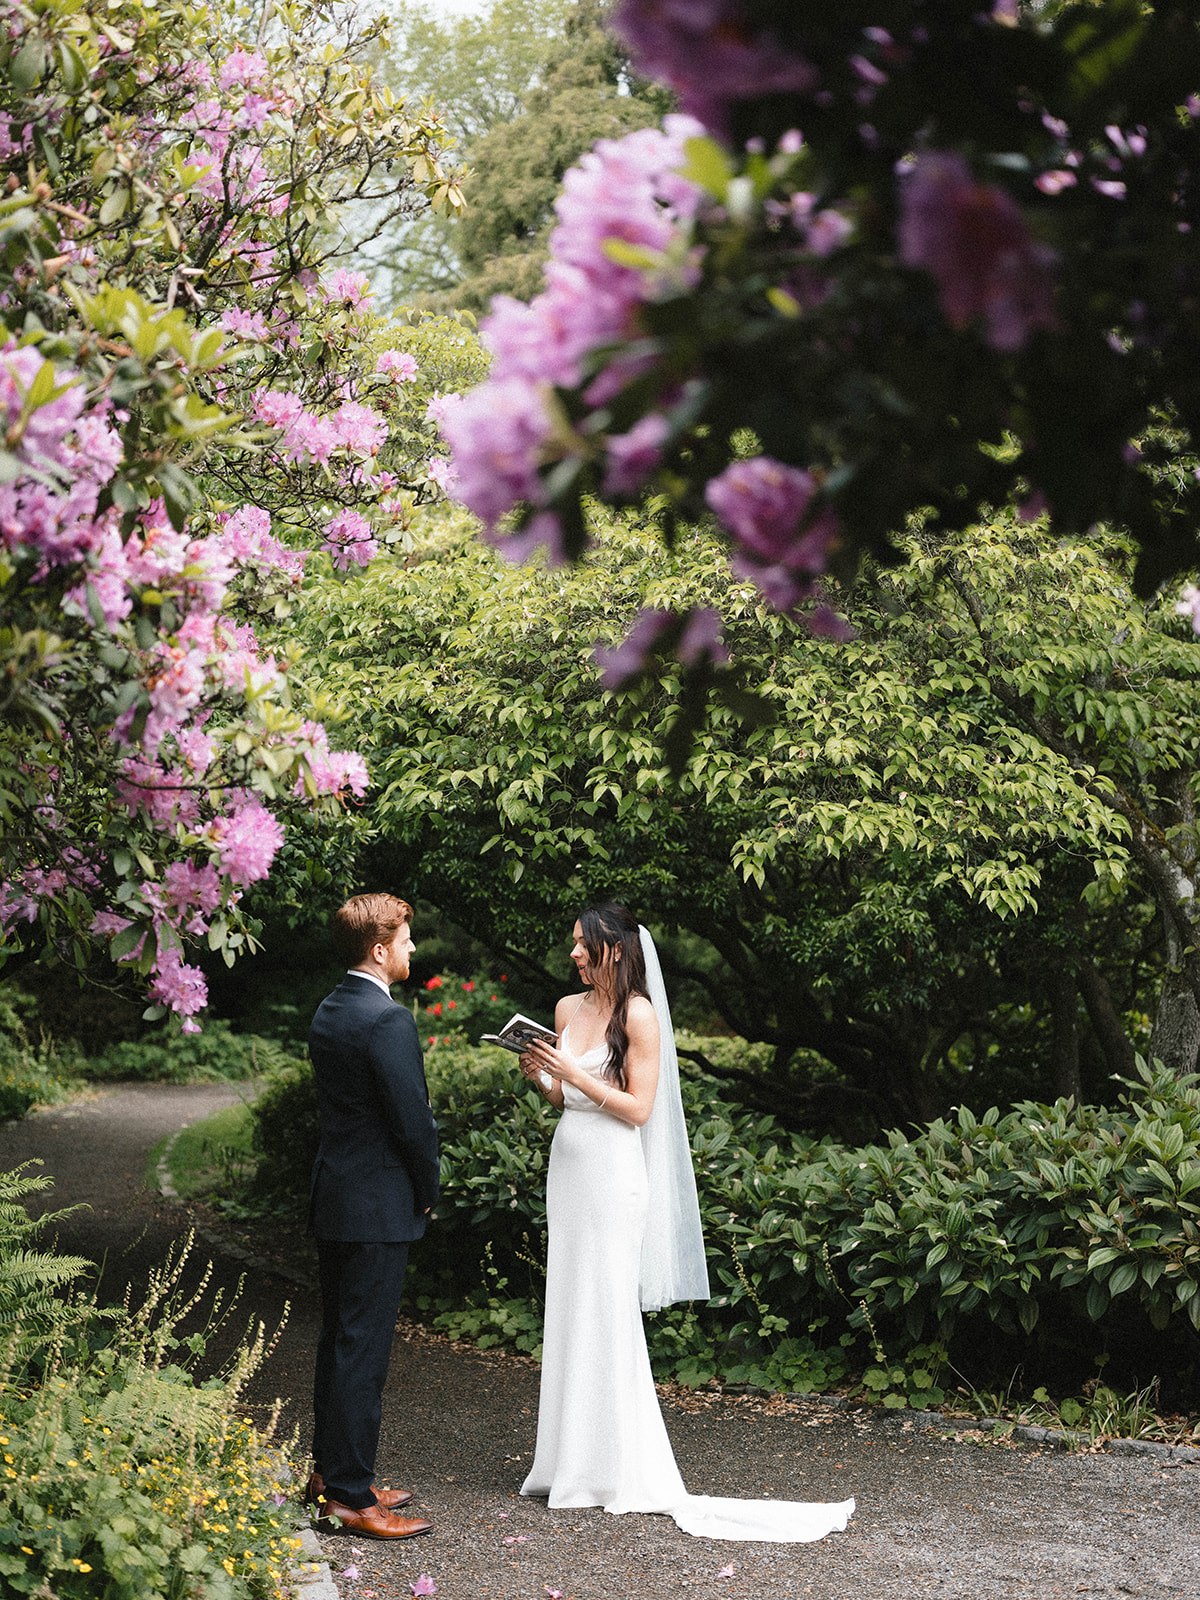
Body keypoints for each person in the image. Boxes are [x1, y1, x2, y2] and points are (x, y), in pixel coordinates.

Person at [517, 902, 855, 1543]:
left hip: (616, 1176)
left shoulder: (638, 1013)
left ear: (614, 948)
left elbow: (638, 1110)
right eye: (573, 947)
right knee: (569, 1302)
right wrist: (544, 1077)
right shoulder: (567, 1010)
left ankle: (617, 1467)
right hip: (571, 1170)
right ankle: (567, 1462)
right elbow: (563, 1099)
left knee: (608, 1307)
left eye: (584, 946)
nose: (575, 956)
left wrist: (571, 1076)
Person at [305, 892, 439, 1540]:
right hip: (378, 1205)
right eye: (407, 939)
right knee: (364, 1353)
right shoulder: (388, 1021)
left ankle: (330, 1475)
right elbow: (413, 1124)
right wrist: (428, 1188)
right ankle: (354, 1499)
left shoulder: (332, 1009)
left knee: (339, 1344)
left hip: (335, 1198)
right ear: (380, 950)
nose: (413, 948)